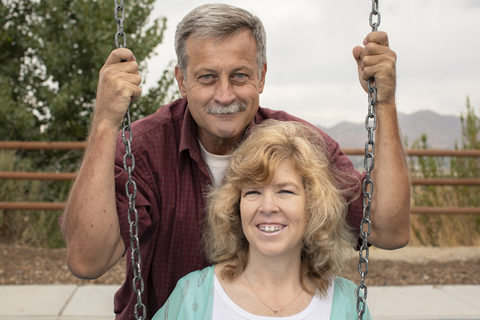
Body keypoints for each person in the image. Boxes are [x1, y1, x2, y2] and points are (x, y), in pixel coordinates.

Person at [60, 3, 409, 319]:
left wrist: (385, 103)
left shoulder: (299, 147)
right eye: (207, 77)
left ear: (261, 76)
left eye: (239, 75)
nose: (224, 95)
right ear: (182, 80)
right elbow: (87, 260)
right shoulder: (144, 148)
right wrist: (106, 121)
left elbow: (388, 231)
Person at [153, 120, 372, 319]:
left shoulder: (347, 303)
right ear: (235, 207)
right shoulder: (194, 296)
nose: (267, 207)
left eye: (285, 191)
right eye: (253, 192)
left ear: (313, 205)